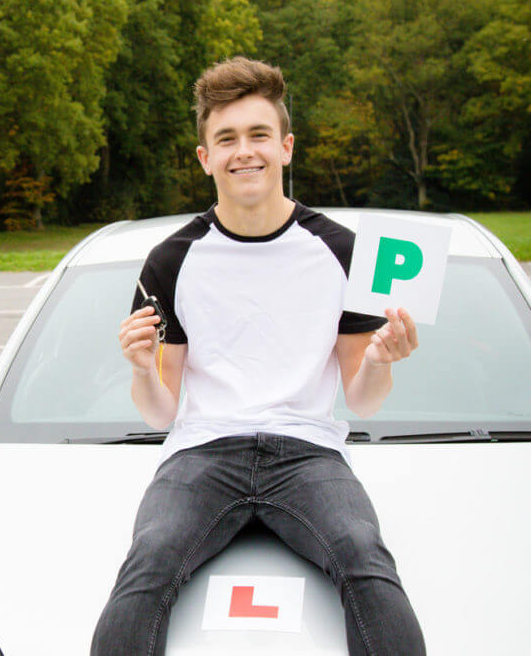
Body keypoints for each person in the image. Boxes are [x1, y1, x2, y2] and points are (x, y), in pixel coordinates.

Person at [90, 57, 426, 656]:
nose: (244, 151)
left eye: (258, 135)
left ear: (286, 146)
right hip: (203, 452)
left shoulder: (342, 251)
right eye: (226, 139)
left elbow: (364, 399)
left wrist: (381, 358)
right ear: (205, 157)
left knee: (364, 554)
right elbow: (160, 414)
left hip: (308, 452)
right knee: (148, 564)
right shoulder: (171, 260)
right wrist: (142, 370)